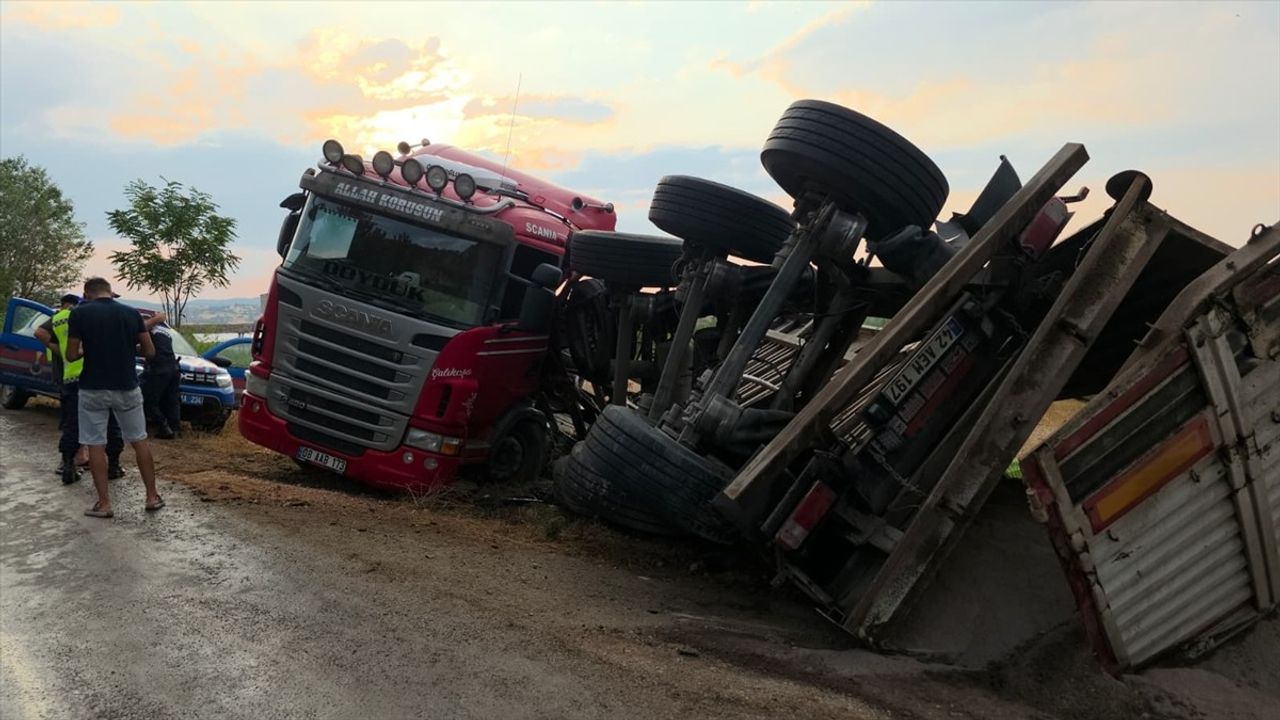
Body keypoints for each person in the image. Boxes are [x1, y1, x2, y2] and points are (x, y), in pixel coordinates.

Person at [66, 277, 163, 518]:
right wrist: (127, 349)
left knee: (95, 443)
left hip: (92, 389)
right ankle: (151, 497)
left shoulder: (79, 314)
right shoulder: (131, 314)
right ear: (110, 292)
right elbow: (150, 351)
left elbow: (70, 355)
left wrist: (88, 349)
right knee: (139, 439)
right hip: (127, 387)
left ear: (87, 294)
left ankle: (104, 503)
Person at [34, 294, 125, 484]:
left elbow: (40, 333)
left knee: (73, 423)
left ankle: (68, 466)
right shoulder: (97, 316)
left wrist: (61, 352)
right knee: (110, 421)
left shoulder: (60, 317)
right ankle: (113, 465)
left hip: (70, 377)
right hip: (97, 375)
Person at [141, 314, 180, 440]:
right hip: (174, 367)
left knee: (149, 400)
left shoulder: (148, 330)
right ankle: (174, 429)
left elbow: (149, 351)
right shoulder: (165, 332)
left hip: (159, 368)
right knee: (172, 400)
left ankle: (164, 427)